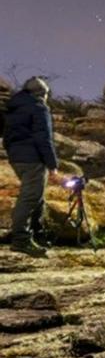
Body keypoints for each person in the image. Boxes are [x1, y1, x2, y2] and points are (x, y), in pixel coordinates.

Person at [2, 77, 60, 257]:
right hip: (32, 158)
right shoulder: (38, 107)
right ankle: (21, 239)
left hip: (16, 158)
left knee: (37, 195)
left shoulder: (13, 108)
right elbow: (43, 138)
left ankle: (37, 233)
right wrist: (52, 165)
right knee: (30, 197)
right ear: (43, 93)